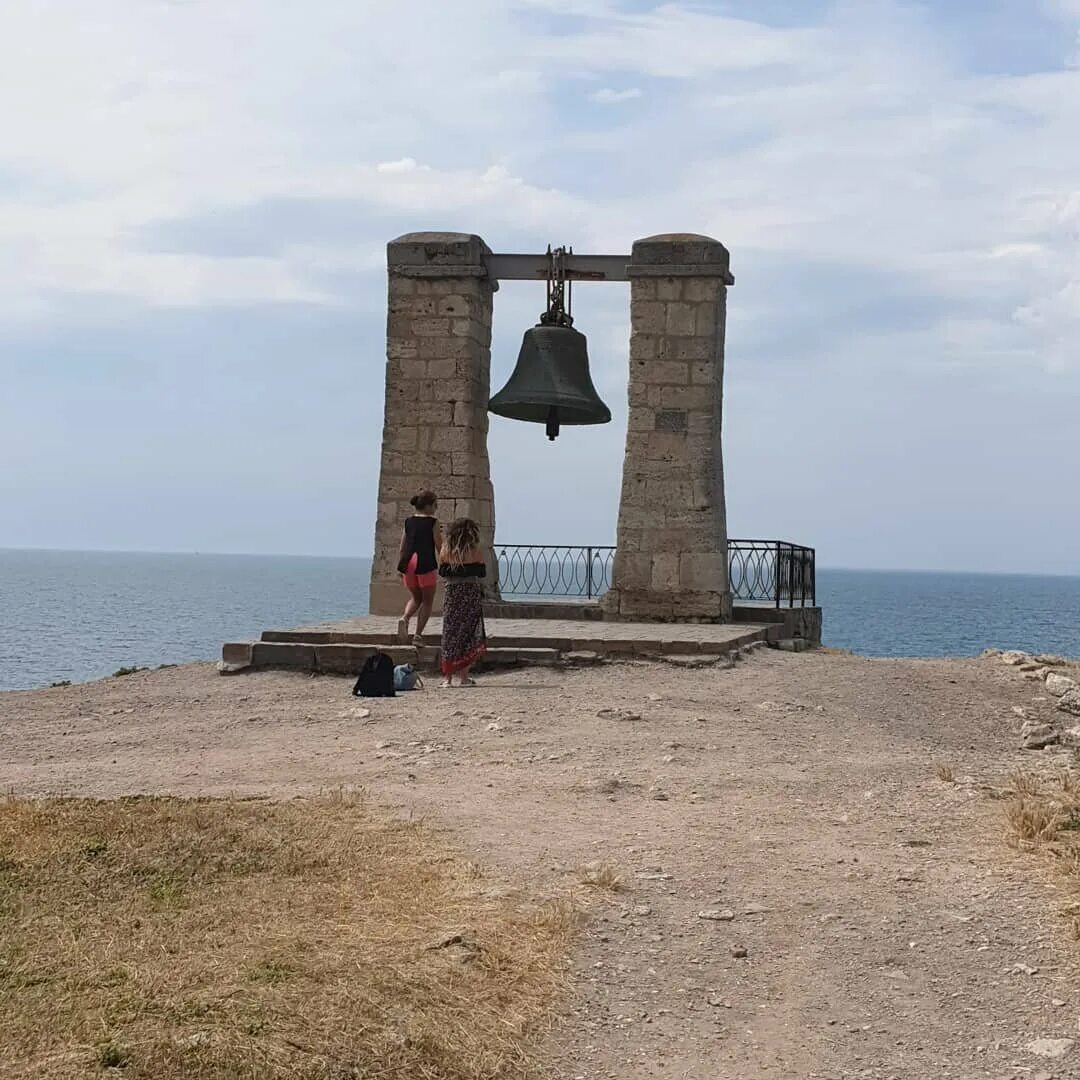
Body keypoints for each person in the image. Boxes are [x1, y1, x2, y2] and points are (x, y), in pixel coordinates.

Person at [437, 517, 488, 688]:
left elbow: (443, 570)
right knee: (467, 632)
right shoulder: (475, 549)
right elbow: (481, 571)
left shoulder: (446, 548)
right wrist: (468, 568)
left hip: (452, 592)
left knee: (450, 632)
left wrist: (457, 569)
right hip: (469, 592)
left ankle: (447, 678)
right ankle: (464, 677)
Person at [397, 491, 442, 647]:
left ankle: (405, 618)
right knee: (427, 602)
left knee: (416, 598)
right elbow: (439, 546)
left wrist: (401, 568)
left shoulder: (408, 522)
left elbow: (402, 547)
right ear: (428, 506)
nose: (436, 508)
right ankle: (417, 636)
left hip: (408, 564)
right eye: (435, 505)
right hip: (425, 563)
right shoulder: (433, 522)